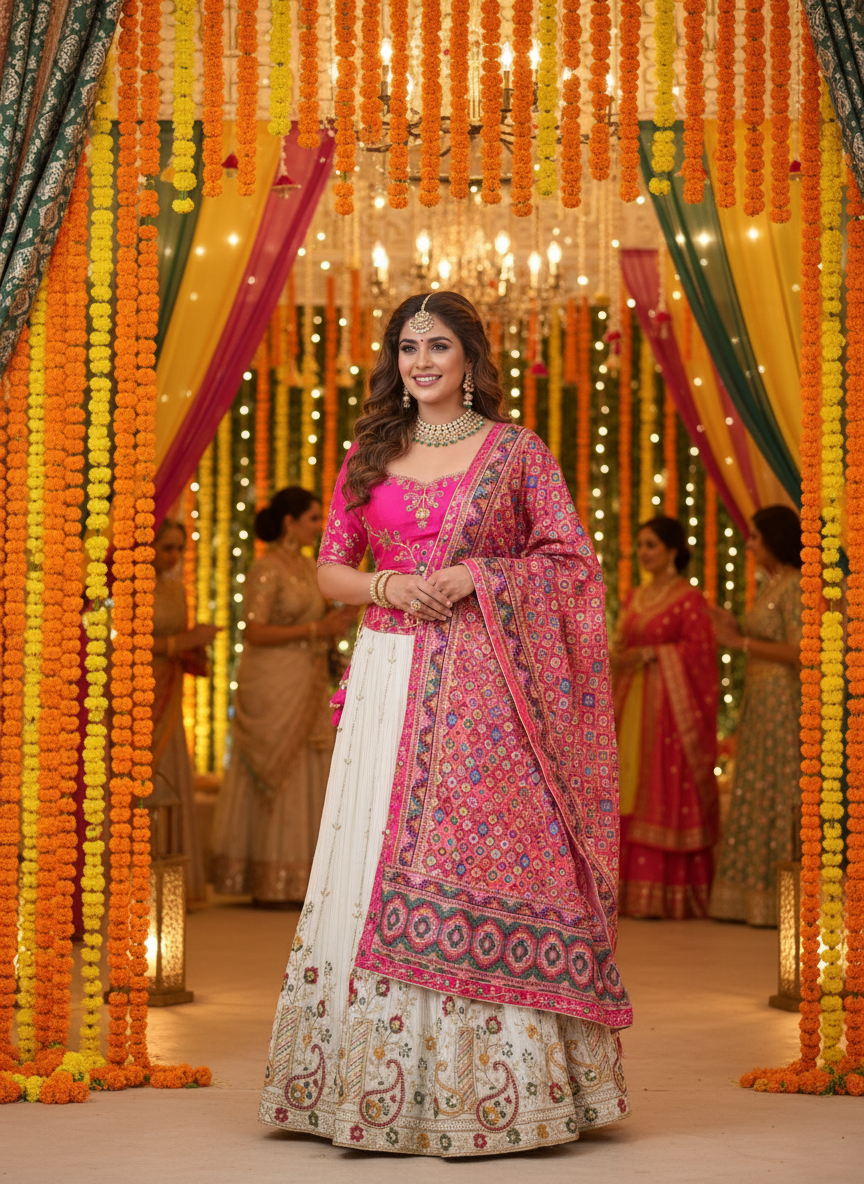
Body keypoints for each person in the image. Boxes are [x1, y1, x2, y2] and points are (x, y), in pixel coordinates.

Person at [259, 292, 631, 1158]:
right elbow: (331, 573)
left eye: (439, 345)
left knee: (467, 859)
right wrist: (389, 587)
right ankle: (359, 1085)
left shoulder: (517, 453)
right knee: (368, 857)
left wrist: (479, 580)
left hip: (485, 693)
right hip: (388, 674)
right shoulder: (370, 451)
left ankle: (503, 1087)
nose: (421, 361)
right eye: (408, 346)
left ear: (471, 357)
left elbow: (572, 564)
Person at [210, 488, 355, 906]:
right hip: (273, 680)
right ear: (289, 522)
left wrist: (337, 625)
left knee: (309, 763)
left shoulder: (312, 567)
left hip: (307, 679)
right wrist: (316, 631)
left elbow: (321, 625)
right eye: (312, 518)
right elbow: (253, 630)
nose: (319, 526)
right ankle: (264, 877)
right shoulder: (266, 568)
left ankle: (302, 879)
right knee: (278, 765)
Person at [612, 517, 719, 920]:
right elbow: (625, 642)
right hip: (631, 702)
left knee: (659, 782)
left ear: (673, 550)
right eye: (640, 544)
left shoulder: (688, 599)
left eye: (651, 545)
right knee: (626, 783)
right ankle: (624, 891)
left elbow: (700, 653)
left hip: (669, 713)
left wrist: (656, 654)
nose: (644, 552)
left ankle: (668, 893)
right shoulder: (633, 596)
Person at [708, 505, 803, 927]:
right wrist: (734, 628)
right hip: (762, 696)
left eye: (754, 538)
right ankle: (749, 896)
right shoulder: (774, 583)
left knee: (777, 784)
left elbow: (802, 652)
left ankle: (780, 898)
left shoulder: (797, 585)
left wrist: (739, 642)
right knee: (755, 783)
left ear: (774, 540)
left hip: (783, 698)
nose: (749, 545)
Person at [151, 519, 216, 908]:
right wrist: (181, 642)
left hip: (169, 690)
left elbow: (180, 642)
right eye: (167, 548)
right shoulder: (123, 587)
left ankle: (167, 879)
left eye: (179, 549)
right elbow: (115, 638)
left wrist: (195, 648)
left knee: (170, 770)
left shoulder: (176, 589)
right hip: (130, 692)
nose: (175, 556)